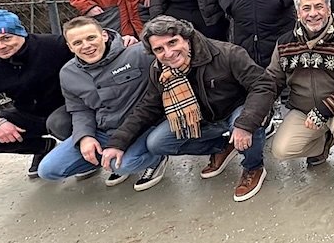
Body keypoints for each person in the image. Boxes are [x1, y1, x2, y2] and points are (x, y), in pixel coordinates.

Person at [101, 16, 269, 202]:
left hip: (236, 111)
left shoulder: (227, 53)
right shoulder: (159, 70)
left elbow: (262, 85)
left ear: (187, 38)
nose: (169, 53)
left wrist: (245, 124)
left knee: (248, 124)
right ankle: (223, 147)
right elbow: (147, 108)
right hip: (202, 120)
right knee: (158, 142)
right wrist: (118, 143)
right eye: (159, 49)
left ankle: (253, 167)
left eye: (173, 42)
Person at [231, 0, 334, 189]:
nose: (313, 13)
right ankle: (323, 142)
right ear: (297, 13)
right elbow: (270, 82)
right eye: (306, 8)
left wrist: (324, 110)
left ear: (329, 9)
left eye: (319, 7)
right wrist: (248, 120)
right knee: (281, 150)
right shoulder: (285, 43)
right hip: (303, 110)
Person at [37, 17, 168, 191]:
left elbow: (173, 49)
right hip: (104, 130)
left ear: (104, 35)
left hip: (142, 128)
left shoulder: (137, 53)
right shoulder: (68, 73)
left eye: (91, 38)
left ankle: (156, 158)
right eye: (77, 42)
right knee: (48, 170)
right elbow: (79, 109)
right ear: (70, 47)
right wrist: (85, 137)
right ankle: (102, 160)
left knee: (124, 165)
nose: (86, 46)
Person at [0, 10, 73, 177]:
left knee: (58, 123)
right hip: (28, 114)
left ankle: (83, 154)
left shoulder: (55, 45)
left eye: (6, 38)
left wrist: (117, 39)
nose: (0, 46)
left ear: (21, 32)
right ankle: (43, 147)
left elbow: (93, 45)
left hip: (66, 109)